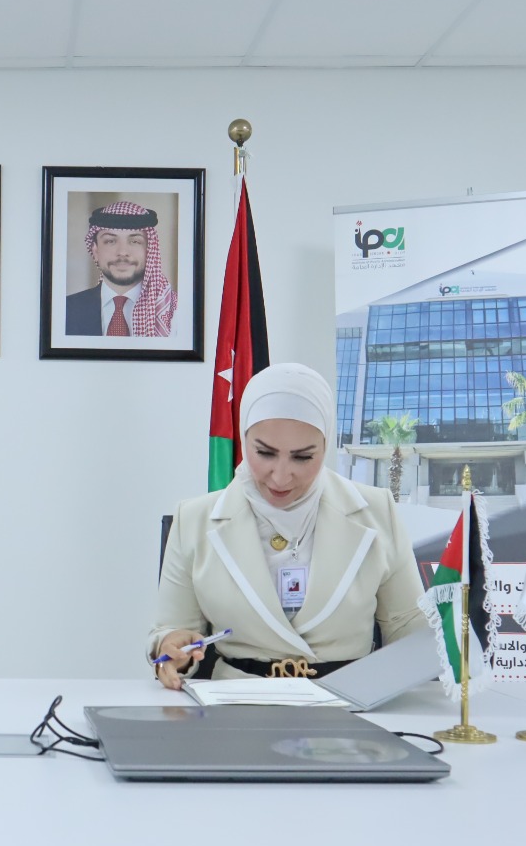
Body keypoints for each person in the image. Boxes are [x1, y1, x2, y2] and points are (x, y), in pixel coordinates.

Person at [149, 362, 425, 689]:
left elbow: (409, 628)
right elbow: (171, 632)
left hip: (350, 703)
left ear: (326, 445)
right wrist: (172, 648)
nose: (281, 477)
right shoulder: (193, 520)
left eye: (302, 457)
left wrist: (454, 651)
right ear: (244, 438)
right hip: (237, 705)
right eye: (264, 453)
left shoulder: (377, 512)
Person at [65, 200, 177, 337]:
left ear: (149, 250)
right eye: (110, 241)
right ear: (95, 251)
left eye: (135, 241)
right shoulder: (65, 310)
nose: (122, 252)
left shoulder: (176, 312)